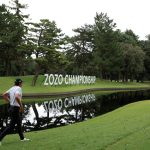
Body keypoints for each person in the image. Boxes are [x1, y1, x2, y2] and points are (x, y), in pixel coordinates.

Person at [0, 78, 29, 146]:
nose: (22, 84)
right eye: (21, 83)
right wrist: (21, 105)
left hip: (12, 108)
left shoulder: (12, 88)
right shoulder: (18, 88)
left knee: (19, 124)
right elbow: (16, 97)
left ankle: (22, 138)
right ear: (19, 83)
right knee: (11, 127)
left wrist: (10, 101)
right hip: (15, 109)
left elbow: (4, 95)